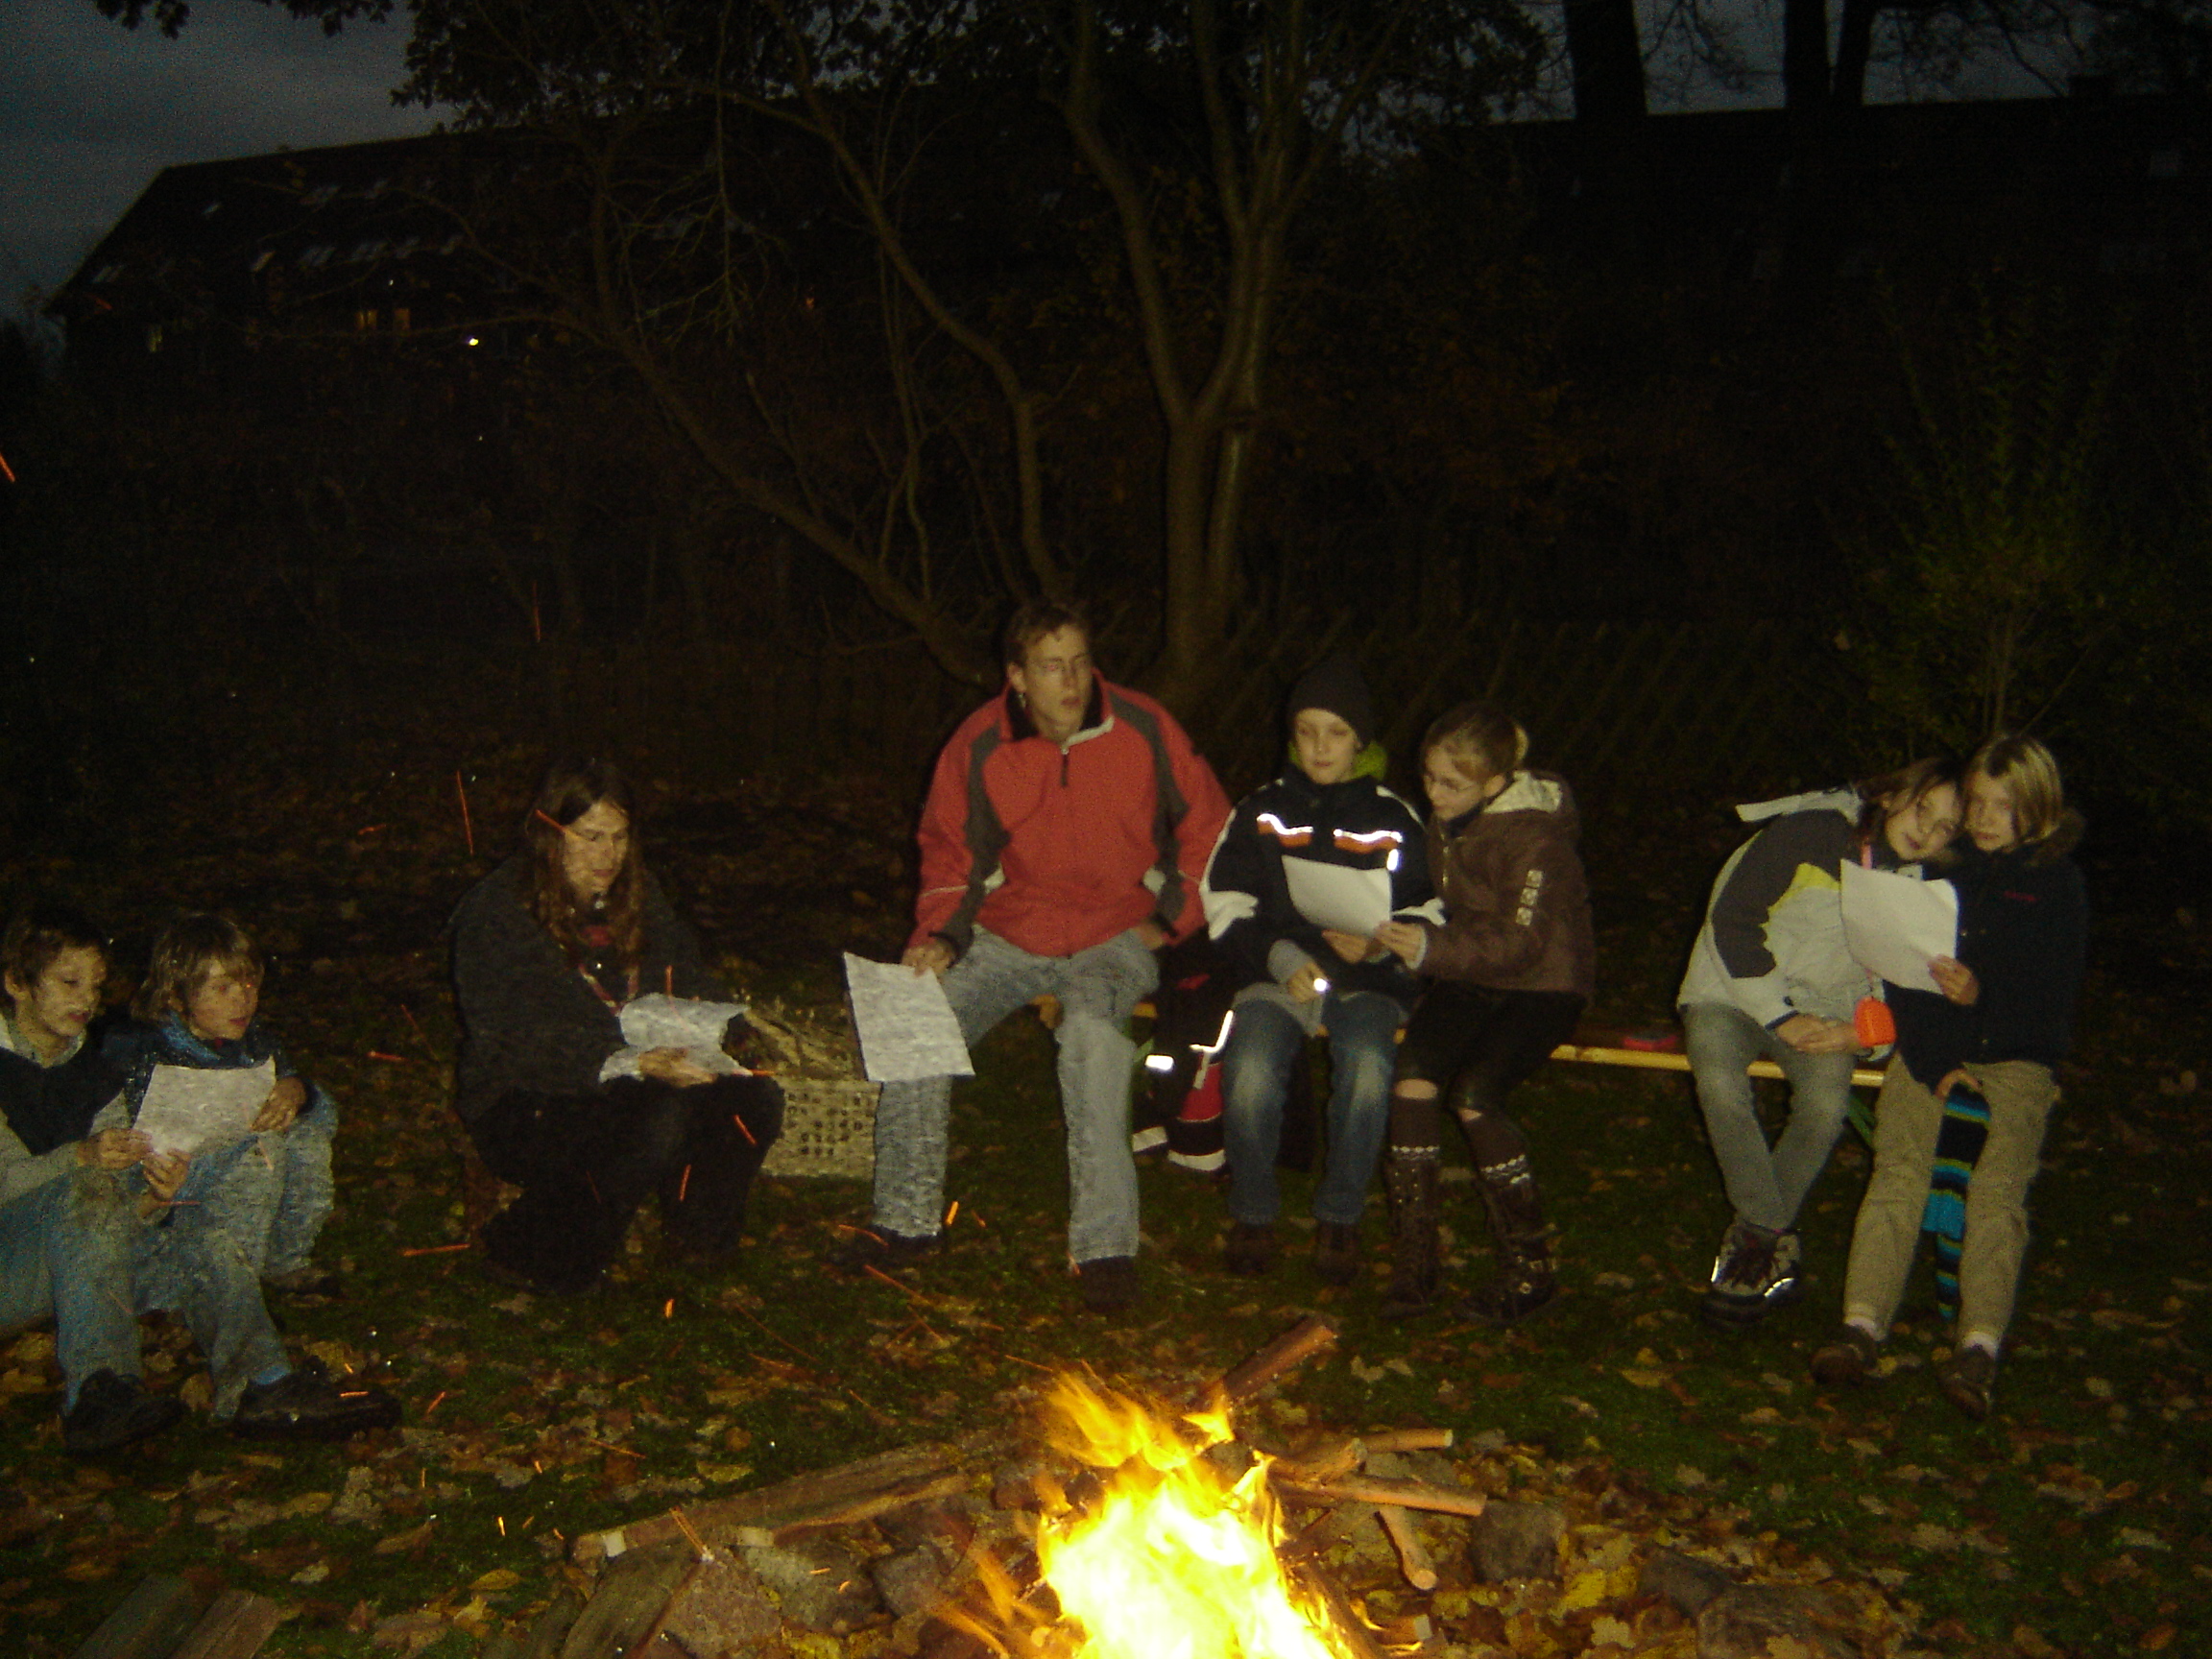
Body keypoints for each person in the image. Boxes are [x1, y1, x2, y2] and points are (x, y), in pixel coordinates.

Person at [841, 599, 1231, 1312]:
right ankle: (905, 1222)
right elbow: (951, 851)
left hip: (1114, 932)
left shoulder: (1142, 727)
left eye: (1080, 662)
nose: (1072, 681)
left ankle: (1105, 1248)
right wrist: (941, 936)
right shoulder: (980, 744)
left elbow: (1209, 827)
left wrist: (1169, 921)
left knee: (1092, 1041)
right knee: (917, 1021)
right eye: (1053, 667)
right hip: (1009, 932)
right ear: (1017, 676)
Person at [5, 903, 397, 1449]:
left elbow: (101, 1221)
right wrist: (80, 1157)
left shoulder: (92, 1067)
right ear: (16, 983)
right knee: (85, 1186)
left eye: (95, 985)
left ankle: (262, 1384)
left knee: (201, 1237)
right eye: (69, 983)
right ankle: (98, 1390)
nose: (86, 1000)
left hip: (76, 1267)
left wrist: (154, 1199)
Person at [1812, 735, 2087, 1420]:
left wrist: (1981, 997)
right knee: (1899, 1170)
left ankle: (1978, 1345)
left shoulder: (2057, 886)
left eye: (2004, 806)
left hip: (2017, 1055)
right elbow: (1905, 975)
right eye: (1977, 803)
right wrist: (1938, 1065)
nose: (1985, 819)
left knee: (1997, 1192)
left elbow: (2053, 999)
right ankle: (1860, 1325)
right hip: (1933, 1049)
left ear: (2037, 808)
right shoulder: (1941, 872)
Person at [451, 757, 784, 1297]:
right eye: (590, 837)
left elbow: (685, 974)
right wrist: (630, 1063)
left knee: (753, 1098)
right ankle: (531, 1252)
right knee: (652, 1115)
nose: (608, 855)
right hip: (528, 1092)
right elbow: (513, 1037)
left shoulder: (638, 893)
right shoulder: (499, 912)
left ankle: (697, 1239)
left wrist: (733, 1029)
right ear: (551, 832)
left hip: (639, 1066)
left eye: (620, 837)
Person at [1678, 758, 1963, 1330]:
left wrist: (1862, 1035)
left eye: (1944, 827)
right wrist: (1779, 1016)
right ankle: (1767, 1235)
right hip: (1731, 992)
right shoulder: (1812, 833)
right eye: (1921, 809)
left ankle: (1754, 1239)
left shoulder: (1924, 890)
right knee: (1719, 1080)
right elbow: (1732, 921)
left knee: (1827, 1106)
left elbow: (1909, 988)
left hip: (1827, 1014)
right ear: (1892, 796)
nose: (1926, 831)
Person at [1201, 655, 1435, 1283]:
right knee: (1249, 1070)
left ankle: (1340, 1216)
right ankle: (1254, 1211)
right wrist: (1278, 955)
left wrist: (1384, 945)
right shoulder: (1262, 810)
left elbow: (1429, 908)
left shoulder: (1393, 818)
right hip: (1278, 970)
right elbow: (1224, 902)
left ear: (1361, 740)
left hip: (1368, 977)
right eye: (1305, 732)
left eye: (1336, 732)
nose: (1319, 747)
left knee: (1368, 1070)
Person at [1371, 703, 1595, 1324]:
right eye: (1429, 777)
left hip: (1544, 983)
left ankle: (1530, 1266)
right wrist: (1398, 933)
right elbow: (1454, 912)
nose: (1435, 794)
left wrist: (1431, 949)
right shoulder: (1450, 821)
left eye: (1452, 784)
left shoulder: (1537, 838)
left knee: (1475, 1096)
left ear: (1494, 783)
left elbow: (1522, 943)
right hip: (1473, 972)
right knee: (1412, 1081)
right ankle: (1416, 1257)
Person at [108, 914, 343, 1300]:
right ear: (175, 997)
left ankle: (284, 1261)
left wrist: (298, 1091)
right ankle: (229, 1288)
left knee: (306, 1143)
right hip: (166, 1186)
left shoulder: (253, 1043)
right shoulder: (141, 1053)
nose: (242, 999)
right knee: (258, 1154)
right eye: (222, 989)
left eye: (249, 984)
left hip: (227, 1160)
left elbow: (324, 1118)